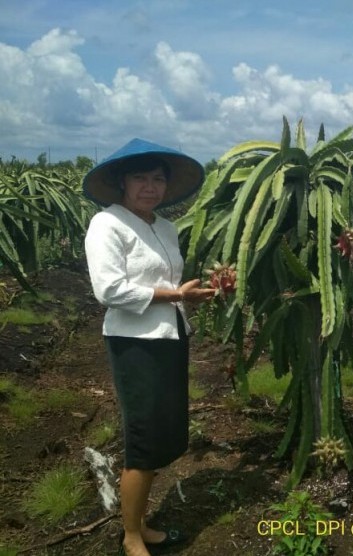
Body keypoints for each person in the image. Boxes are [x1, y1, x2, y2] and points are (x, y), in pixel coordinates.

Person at [83, 138, 216, 556]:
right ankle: (131, 536)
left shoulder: (165, 226)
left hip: (169, 336)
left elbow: (169, 279)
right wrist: (177, 296)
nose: (150, 186)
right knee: (141, 440)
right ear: (122, 181)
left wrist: (191, 294)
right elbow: (108, 289)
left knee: (159, 434)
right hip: (133, 342)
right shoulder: (107, 223)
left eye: (158, 179)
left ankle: (140, 521)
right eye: (140, 177)